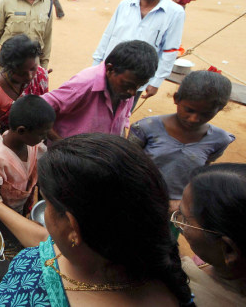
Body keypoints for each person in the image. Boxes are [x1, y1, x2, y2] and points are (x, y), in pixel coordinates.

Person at [0, 133, 194, 306]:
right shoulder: (149, 262)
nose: (45, 209)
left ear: (72, 227)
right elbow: (46, 241)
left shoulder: (28, 294)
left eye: (47, 202)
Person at [128, 70, 234, 212]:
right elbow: (128, 164)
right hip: (137, 199)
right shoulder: (146, 128)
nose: (194, 119)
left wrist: (182, 201)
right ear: (176, 98)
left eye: (206, 114)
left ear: (219, 109)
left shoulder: (220, 140)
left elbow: (201, 171)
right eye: (189, 110)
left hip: (176, 209)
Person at [92, 0, 185, 104]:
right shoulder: (125, 4)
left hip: (136, 81)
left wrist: (156, 81)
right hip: (109, 72)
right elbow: (108, 35)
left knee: (120, 116)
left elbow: (170, 50)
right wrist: (96, 65)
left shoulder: (175, 13)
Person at [43, 40, 157, 140]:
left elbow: (122, 122)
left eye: (139, 86)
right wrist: (60, 143)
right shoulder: (84, 84)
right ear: (110, 69)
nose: (133, 93)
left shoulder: (126, 91)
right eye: (128, 85)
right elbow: (38, 109)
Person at [173, 164, 246, 306]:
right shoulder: (218, 263)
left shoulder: (183, 294)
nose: (175, 211)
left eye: (186, 220)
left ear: (229, 250)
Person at [0, 95, 53, 215]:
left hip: (22, 203)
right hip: (4, 214)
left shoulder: (33, 145)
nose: (45, 138)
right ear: (21, 131)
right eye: (42, 134)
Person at [0, 34, 49, 129]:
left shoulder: (40, 74)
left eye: (33, 68)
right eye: (21, 73)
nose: (29, 76)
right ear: (8, 68)